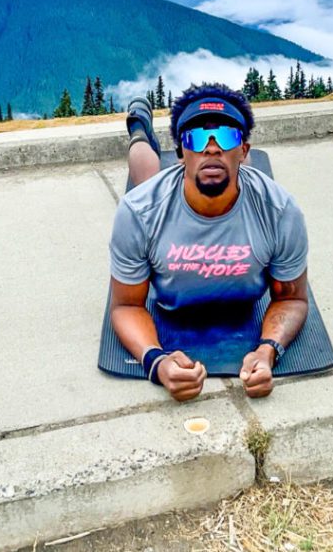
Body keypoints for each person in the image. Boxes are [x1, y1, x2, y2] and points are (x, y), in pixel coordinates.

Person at [109, 83, 309, 402]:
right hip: (164, 193)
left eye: (227, 137)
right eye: (198, 138)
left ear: (244, 149)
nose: (211, 148)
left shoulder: (282, 212)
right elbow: (126, 305)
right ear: (180, 153)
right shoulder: (139, 212)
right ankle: (138, 129)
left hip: (245, 190)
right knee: (145, 172)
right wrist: (156, 362)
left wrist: (268, 349)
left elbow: (293, 300)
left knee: (230, 178)